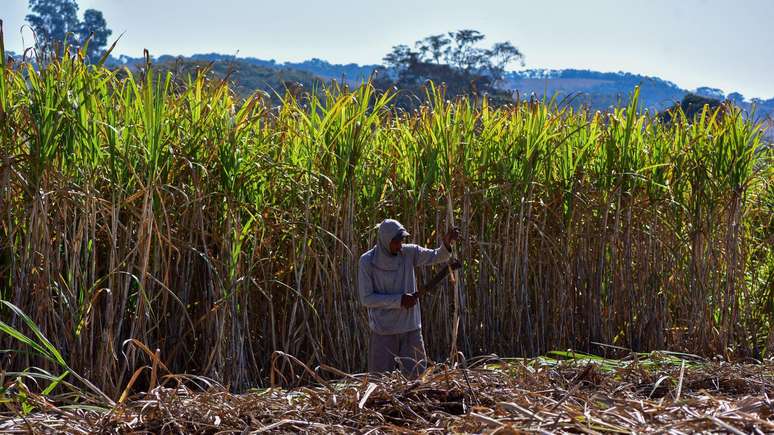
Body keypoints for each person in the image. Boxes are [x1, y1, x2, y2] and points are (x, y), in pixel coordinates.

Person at [358, 218, 459, 377]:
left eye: (401, 241)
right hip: (383, 329)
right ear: (385, 240)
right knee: (378, 382)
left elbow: (437, 256)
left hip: (410, 327)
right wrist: (399, 300)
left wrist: (446, 244)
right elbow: (367, 299)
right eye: (395, 242)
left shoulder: (409, 252)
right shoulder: (367, 261)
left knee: (418, 378)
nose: (399, 246)